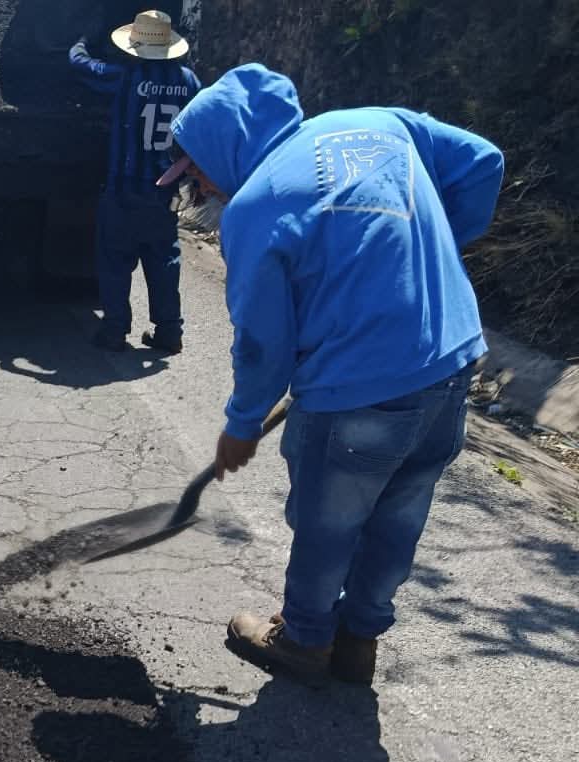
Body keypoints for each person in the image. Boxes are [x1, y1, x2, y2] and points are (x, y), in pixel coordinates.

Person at [158, 64, 504, 685]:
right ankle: (359, 641)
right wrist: (434, 250)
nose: (205, 189)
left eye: (198, 173)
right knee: (400, 512)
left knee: (329, 520)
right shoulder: (378, 123)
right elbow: (483, 162)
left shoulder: (257, 206)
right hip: (451, 366)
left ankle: (305, 639)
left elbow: (265, 345)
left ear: (220, 145)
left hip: (356, 394)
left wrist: (241, 425)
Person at [69, 10, 200, 354]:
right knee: (163, 259)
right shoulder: (188, 81)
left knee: (114, 258)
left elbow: (81, 66)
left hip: (125, 186)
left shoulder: (124, 77)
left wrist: (83, 42)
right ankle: (169, 332)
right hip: (166, 189)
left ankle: (114, 331)